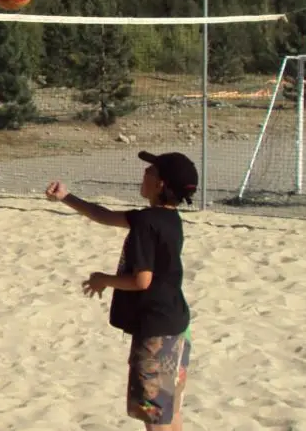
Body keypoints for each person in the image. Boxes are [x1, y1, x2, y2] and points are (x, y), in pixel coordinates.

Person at [45, 150, 196, 431]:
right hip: (177, 325)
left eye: (150, 171)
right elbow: (102, 215)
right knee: (170, 410)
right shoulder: (168, 219)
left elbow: (142, 281)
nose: (144, 174)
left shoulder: (145, 224)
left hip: (155, 333)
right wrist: (67, 197)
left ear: (161, 184)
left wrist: (104, 279)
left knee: (154, 418)